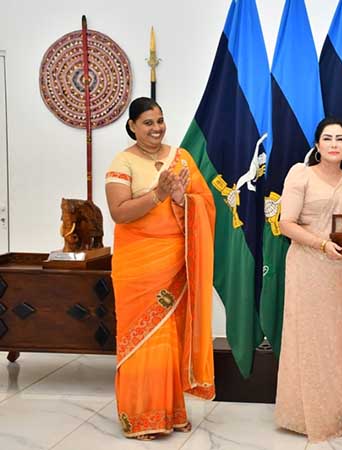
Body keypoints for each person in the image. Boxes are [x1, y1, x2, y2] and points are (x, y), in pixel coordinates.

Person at [105, 97, 216, 440]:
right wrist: (158, 194)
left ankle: (171, 412)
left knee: (168, 339)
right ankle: (141, 416)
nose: (157, 128)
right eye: (148, 122)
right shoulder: (122, 162)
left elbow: (206, 205)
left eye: (160, 121)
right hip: (137, 267)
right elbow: (119, 212)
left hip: (174, 263)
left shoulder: (181, 158)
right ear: (132, 126)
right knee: (141, 339)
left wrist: (182, 198)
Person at [274, 118, 342, 442]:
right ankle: (301, 414)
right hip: (308, 266)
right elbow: (286, 223)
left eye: (340, 139)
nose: (333, 144)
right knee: (307, 338)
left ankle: (336, 413)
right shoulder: (299, 174)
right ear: (317, 145)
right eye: (327, 138)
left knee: (339, 342)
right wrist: (321, 244)